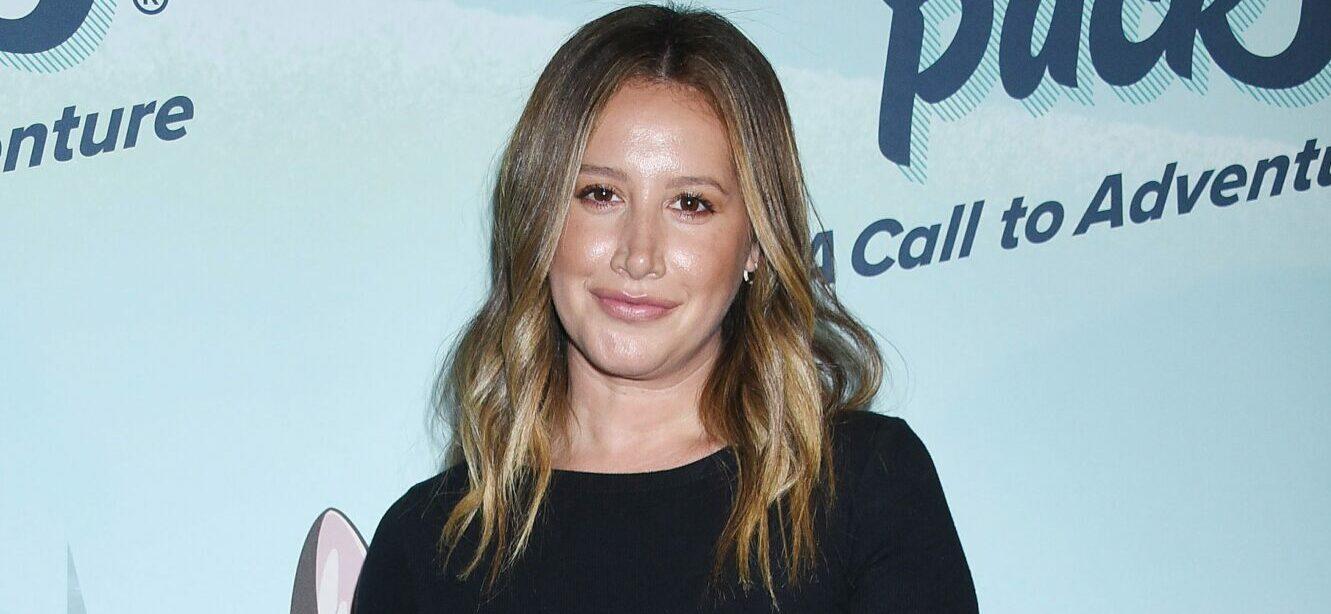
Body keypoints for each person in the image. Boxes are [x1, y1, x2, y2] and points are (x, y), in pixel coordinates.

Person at [350, 3, 978, 612]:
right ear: (538, 220)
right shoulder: (426, 545)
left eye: (691, 204)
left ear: (756, 244)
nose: (639, 255)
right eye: (600, 194)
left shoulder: (862, 487)